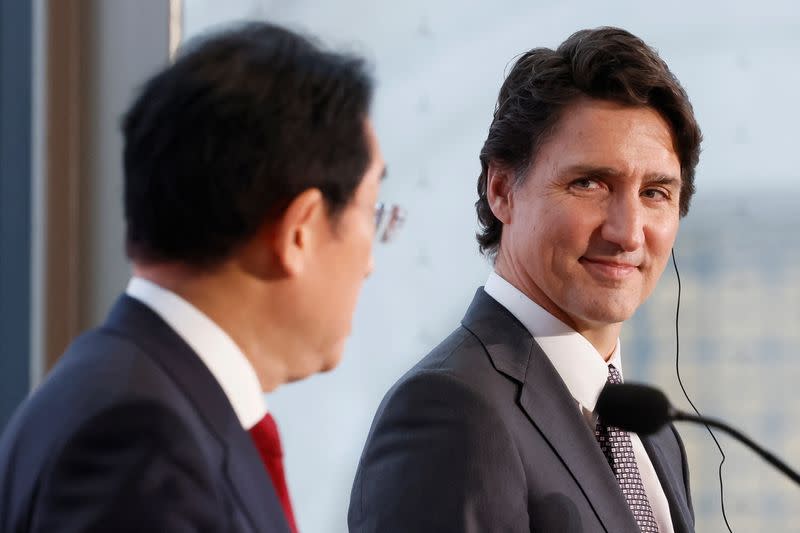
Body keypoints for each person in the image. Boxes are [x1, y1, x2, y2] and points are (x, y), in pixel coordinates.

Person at [0, 21, 388, 532]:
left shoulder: (124, 387)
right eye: (373, 212)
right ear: (301, 229)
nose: (370, 261)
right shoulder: (143, 442)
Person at [349, 27, 701, 533]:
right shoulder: (450, 411)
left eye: (655, 193)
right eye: (589, 184)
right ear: (501, 190)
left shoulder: (652, 430)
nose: (627, 233)